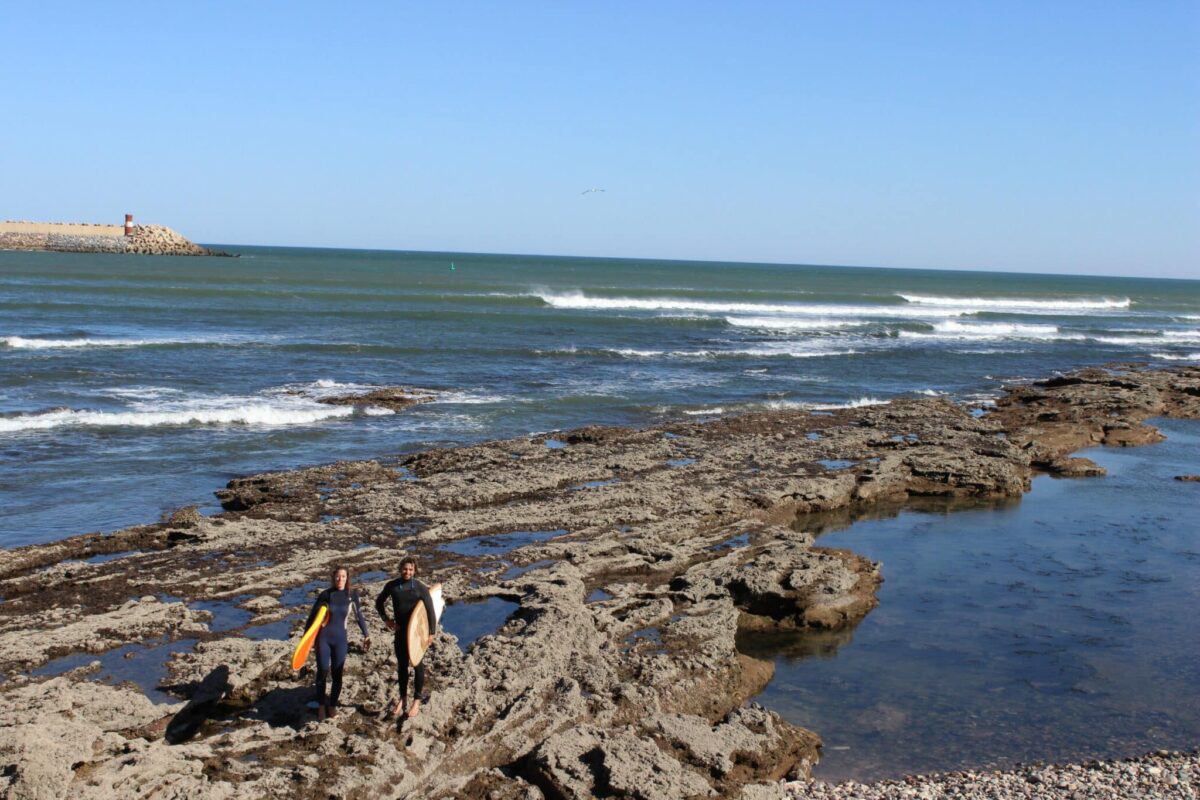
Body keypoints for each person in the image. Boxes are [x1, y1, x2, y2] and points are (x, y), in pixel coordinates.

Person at [303, 566, 370, 721]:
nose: (340, 579)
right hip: (323, 639)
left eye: (343, 577)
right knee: (322, 672)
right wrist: (306, 642)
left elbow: (359, 616)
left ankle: (332, 705)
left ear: (347, 578)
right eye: (338, 577)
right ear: (333, 578)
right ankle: (321, 706)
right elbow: (312, 618)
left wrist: (366, 635)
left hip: (340, 640)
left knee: (337, 675)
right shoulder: (325, 595)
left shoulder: (351, 595)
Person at [375, 556, 436, 719]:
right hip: (400, 632)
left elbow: (430, 611)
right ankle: (403, 698)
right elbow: (379, 603)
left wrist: (432, 632)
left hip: (417, 634)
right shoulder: (393, 586)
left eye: (410, 569)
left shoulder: (420, 588)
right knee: (402, 666)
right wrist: (386, 620)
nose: (407, 572)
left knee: (417, 665)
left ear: (414, 570)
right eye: (405, 569)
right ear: (400, 569)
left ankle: (416, 700)